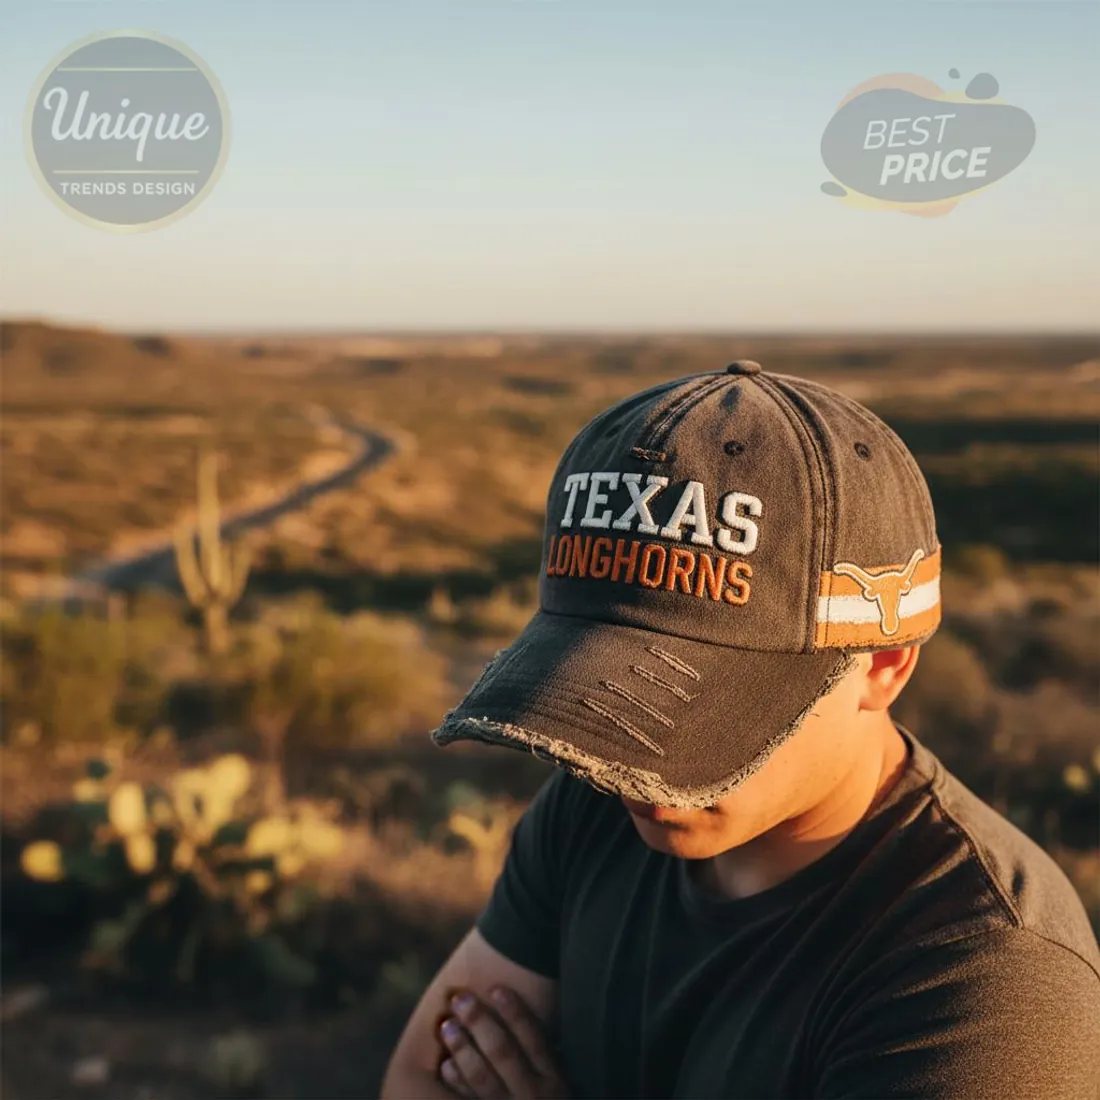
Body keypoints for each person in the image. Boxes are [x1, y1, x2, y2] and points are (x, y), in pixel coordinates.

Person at [381, 362, 1100, 1099]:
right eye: (604, 692)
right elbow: (417, 1079)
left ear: (884, 663)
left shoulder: (980, 976)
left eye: (706, 707)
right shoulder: (589, 811)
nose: (634, 762)